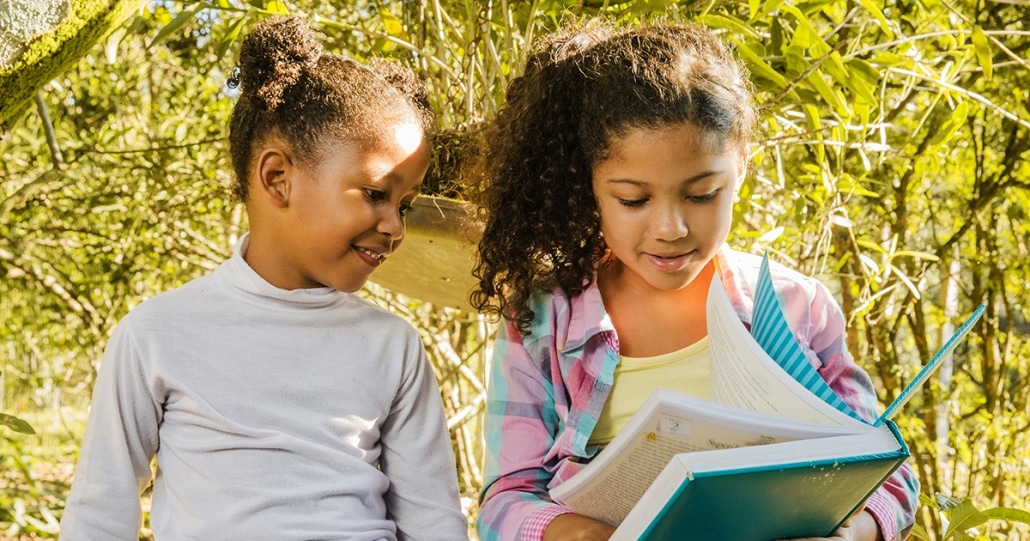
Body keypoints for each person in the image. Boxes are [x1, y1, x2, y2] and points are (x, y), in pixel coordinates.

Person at [471, 20, 919, 541]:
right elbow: (504, 500)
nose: (670, 229)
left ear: (742, 166)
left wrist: (854, 534)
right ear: (590, 183)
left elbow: (886, 470)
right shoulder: (543, 321)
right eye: (633, 200)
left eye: (702, 193)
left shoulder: (800, 309)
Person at [59, 15, 468, 541]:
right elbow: (99, 514)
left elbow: (434, 521)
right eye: (375, 194)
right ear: (278, 178)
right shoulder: (156, 335)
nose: (394, 227)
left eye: (405, 205)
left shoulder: (393, 349)